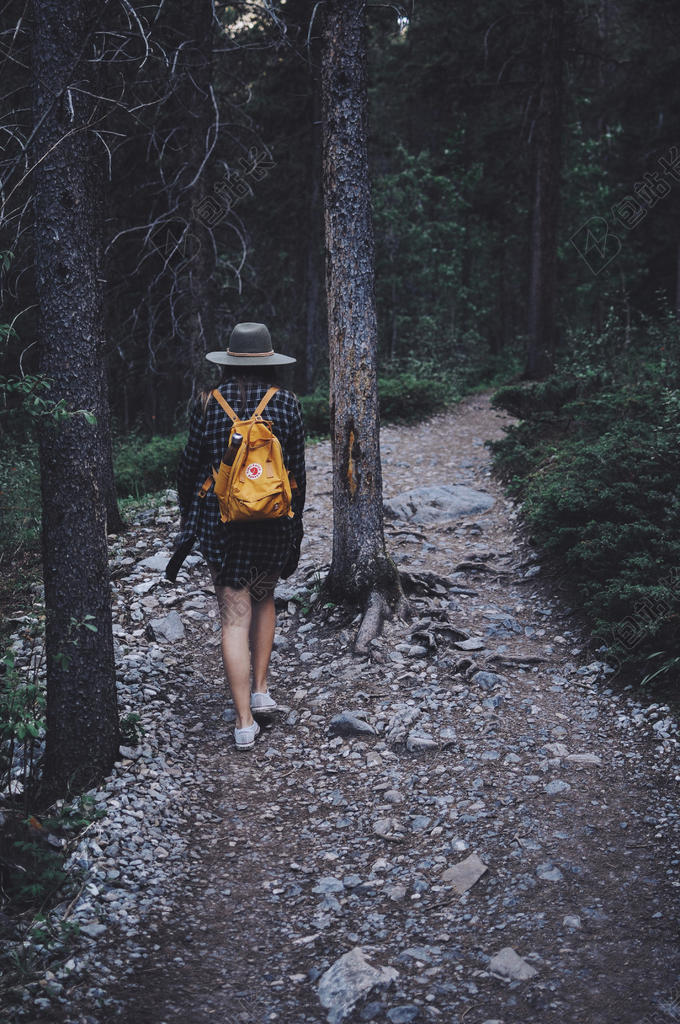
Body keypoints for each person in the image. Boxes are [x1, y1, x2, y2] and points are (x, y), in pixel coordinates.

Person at [175, 322, 306, 751]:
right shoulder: (286, 403)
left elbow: (191, 466)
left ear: (228, 362)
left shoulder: (207, 403)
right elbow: (297, 476)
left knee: (233, 617)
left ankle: (244, 724)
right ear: (270, 362)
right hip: (272, 521)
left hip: (221, 525)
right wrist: (295, 526)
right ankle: (261, 689)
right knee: (264, 597)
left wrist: (187, 518)